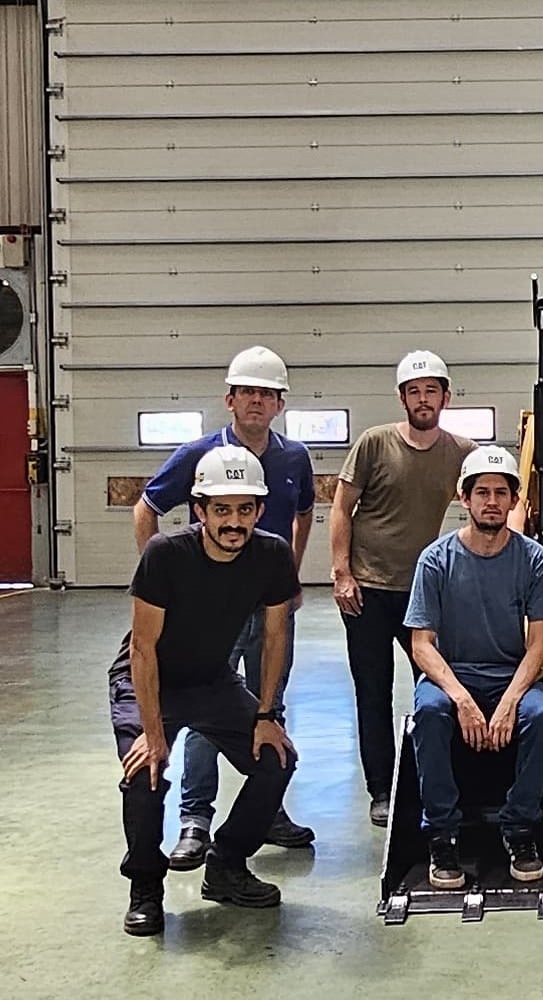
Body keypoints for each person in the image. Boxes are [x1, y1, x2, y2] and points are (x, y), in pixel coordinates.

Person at [132, 345, 316, 867]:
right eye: (247, 392)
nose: (257, 401)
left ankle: (267, 811)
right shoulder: (200, 455)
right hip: (210, 612)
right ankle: (196, 819)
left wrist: (291, 574)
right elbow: (146, 508)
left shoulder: (294, 458)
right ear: (230, 400)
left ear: (279, 404)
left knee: (268, 704)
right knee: (203, 708)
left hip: (267, 606)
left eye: (267, 394)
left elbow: (304, 513)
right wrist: (165, 582)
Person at [112, 444, 300, 936]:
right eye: (221, 510)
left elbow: (275, 636)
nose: (233, 522)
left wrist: (266, 716)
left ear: (259, 510)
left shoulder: (271, 555)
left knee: (276, 759)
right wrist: (153, 734)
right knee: (145, 774)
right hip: (150, 680)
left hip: (213, 679)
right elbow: (143, 649)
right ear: (200, 511)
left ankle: (227, 865)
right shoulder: (165, 555)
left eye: (244, 509)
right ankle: (145, 887)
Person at [407, 445, 543, 890]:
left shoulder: (533, 560)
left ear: (514, 500)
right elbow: (421, 645)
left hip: (509, 674)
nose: (491, 501)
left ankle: (519, 826)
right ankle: (442, 833)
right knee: (429, 712)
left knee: (541, 717)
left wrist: (510, 701)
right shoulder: (435, 560)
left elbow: (538, 643)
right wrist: (461, 699)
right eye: (482, 492)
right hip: (451, 674)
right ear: (465, 498)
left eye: (500, 493)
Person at [330, 349, 476, 826]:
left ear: (445, 397)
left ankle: (435, 779)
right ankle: (382, 791)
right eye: (414, 392)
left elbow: (499, 491)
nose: (422, 399)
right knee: (372, 692)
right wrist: (342, 573)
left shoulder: (461, 451)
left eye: (431, 391)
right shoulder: (374, 443)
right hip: (367, 591)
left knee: (435, 688)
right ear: (402, 398)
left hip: (424, 593)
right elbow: (341, 508)